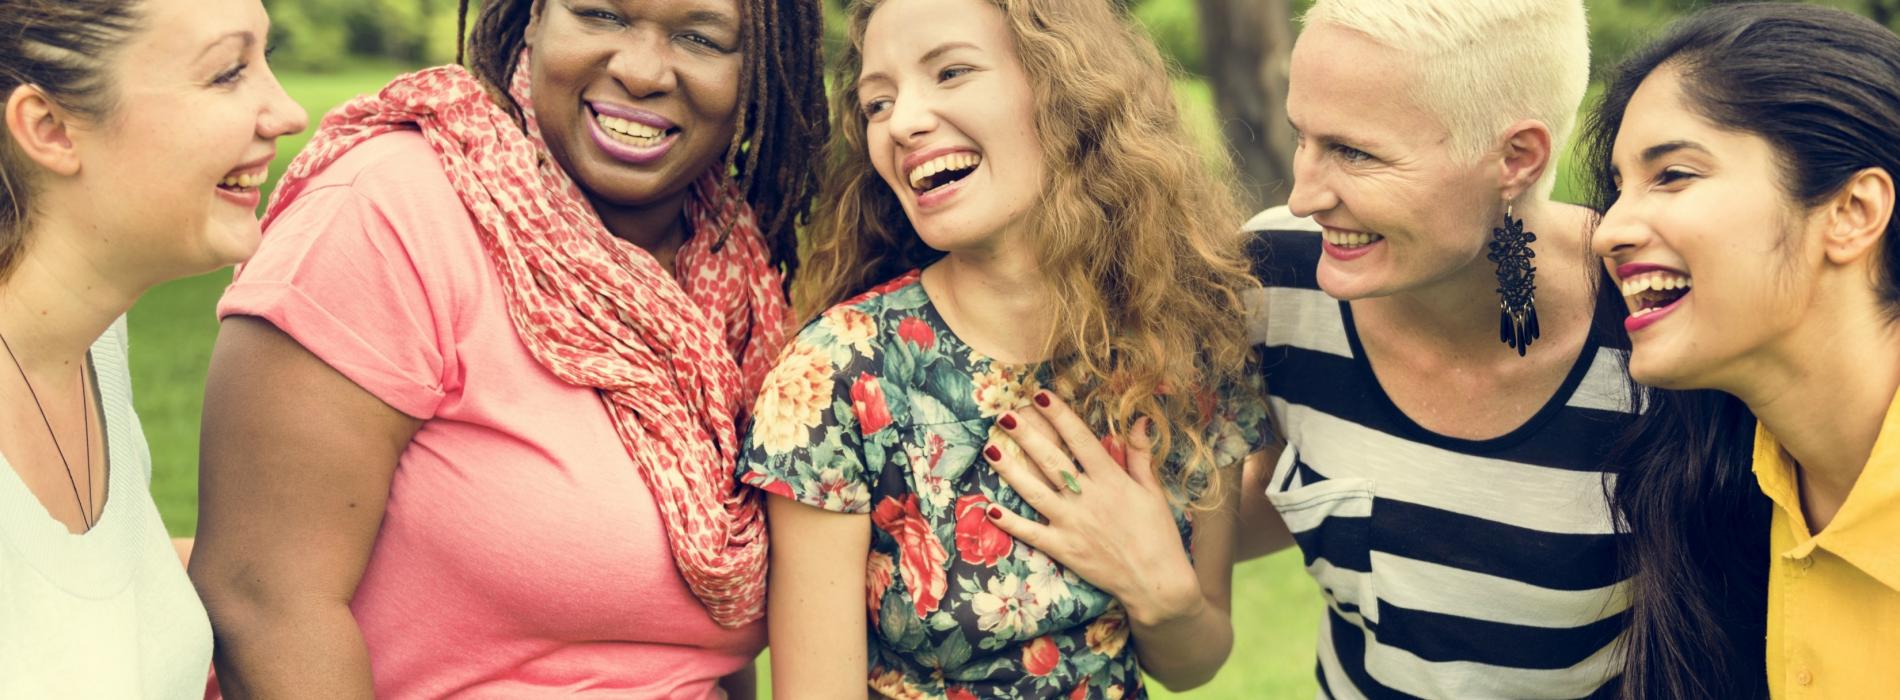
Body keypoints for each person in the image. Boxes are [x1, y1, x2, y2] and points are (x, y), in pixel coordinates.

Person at [184, 0, 826, 697]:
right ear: (530, 17)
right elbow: (261, 602)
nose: (641, 71)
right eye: (601, 14)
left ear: (759, 71)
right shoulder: (390, 211)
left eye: (701, 38)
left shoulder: (734, 276)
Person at [740, 0, 1272, 697]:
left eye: (952, 71)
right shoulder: (842, 377)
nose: (902, 122)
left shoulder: (1185, 339)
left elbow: (1192, 660)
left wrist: (1163, 592)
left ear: (1066, 87)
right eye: (878, 103)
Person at [1238, 0, 1641, 696]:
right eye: (1301, 135)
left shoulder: (1652, 329)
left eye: (1354, 152)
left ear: (1516, 158)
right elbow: (1274, 506)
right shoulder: (1278, 275)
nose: (1303, 195)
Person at [1587, 4, 1900, 697]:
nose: (1607, 232)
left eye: (1672, 175)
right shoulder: (1721, 496)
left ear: (1852, 213)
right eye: (1616, 190)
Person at [0, 0, 306, 696]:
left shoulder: (95, 340)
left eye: (267, 58)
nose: (286, 113)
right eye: (228, 73)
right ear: (49, 129)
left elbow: (74, 603)